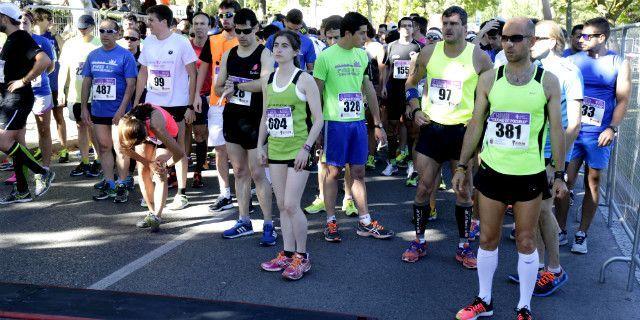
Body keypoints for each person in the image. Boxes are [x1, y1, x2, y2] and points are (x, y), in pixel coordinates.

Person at [453, 17, 567, 320]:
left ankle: (524, 306)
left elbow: (556, 130)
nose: (508, 43)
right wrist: (462, 166)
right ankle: (484, 300)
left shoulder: (547, 81)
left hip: (529, 175)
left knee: (526, 240)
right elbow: (476, 123)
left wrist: (558, 173)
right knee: (487, 239)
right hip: (492, 171)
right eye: (504, 38)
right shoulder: (491, 78)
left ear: (531, 42)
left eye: (516, 38)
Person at [402, 6, 493, 266]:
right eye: (445, 24)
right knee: (423, 187)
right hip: (432, 129)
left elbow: (488, 99)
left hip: (463, 133)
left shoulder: (479, 57)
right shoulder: (429, 53)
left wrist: (480, 128)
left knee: (463, 191)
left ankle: (464, 246)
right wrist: (415, 108)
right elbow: (410, 84)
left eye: (454, 23)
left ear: (465, 27)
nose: (449, 28)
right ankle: (418, 240)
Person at [506, 19, 582, 297]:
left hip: (551, 156)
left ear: (552, 42)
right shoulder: (533, 69)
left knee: (541, 211)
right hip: (529, 153)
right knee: (531, 213)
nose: (529, 43)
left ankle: (555, 269)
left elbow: (573, 124)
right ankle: (536, 266)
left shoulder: (568, 71)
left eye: (535, 38)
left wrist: (557, 165)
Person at [314, 11, 392, 242]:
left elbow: (368, 89)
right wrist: (316, 126)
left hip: (357, 123)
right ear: (348, 33)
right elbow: (316, 93)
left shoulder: (362, 55)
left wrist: (377, 123)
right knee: (332, 173)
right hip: (334, 124)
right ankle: (330, 222)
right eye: (362, 33)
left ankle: (365, 221)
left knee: (358, 172)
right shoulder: (326, 57)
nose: (365, 37)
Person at [561, 17, 631, 254]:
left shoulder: (618, 63)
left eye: (587, 36)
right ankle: (560, 229)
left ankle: (582, 233)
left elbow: (622, 100)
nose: (581, 39)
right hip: (573, 131)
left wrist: (612, 127)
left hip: (599, 134)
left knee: (593, 181)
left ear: (602, 38)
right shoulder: (571, 61)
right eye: (581, 35)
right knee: (565, 181)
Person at [258, 30, 324, 280]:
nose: (278, 50)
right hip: (275, 149)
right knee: (282, 207)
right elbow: (265, 117)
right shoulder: (269, 80)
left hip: (298, 151)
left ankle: (302, 256)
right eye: (276, 45)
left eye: (285, 46)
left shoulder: (304, 80)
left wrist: (306, 148)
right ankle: (286, 253)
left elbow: (318, 119)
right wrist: (260, 145)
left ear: (296, 52)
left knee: (291, 204)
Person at [209, 8, 276, 245]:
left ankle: (268, 223)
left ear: (256, 28)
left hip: (256, 119)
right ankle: (244, 220)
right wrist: (224, 86)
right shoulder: (229, 54)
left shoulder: (264, 53)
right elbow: (217, 87)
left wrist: (238, 86)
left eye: (247, 31)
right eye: (238, 31)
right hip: (233, 117)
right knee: (239, 172)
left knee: (258, 172)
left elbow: (265, 84)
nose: (242, 35)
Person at [134, 4, 199, 211]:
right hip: (153, 103)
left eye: (151, 20)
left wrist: (190, 104)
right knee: (150, 147)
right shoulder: (148, 42)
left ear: (163, 22)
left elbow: (193, 74)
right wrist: (137, 100)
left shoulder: (181, 42)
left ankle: (181, 192)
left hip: (177, 103)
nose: (148, 23)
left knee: (177, 147)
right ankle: (154, 190)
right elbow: (143, 72)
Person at [303, 15, 359, 217]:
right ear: (324, 36)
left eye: (337, 37)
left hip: (351, 118)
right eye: (329, 38)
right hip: (328, 118)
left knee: (348, 162)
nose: (333, 42)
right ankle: (321, 196)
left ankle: (349, 199)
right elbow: (316, 92)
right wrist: (315, 121)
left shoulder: (358, 54)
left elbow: (364, 86)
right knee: (324, 161)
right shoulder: (324, 58)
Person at [0, 3, 54, 204]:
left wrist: (23, 81)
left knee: (3, 141)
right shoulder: (12, 39)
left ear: (4, 18)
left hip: (16, 99)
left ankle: (41, 172)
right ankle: (22, 191)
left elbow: (44, 60)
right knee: (18, 144)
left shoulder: (21, 37)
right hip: (8, 99)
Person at [80, 19, 138, 202]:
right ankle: (110, 183)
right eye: (102, 31)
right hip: (99, 111)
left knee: (121, 148)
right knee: (104, 147)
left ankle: (122, 183)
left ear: (117, 33)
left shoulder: (125, 56)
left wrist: (122, 109)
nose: (105, 34)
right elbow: (87, 82)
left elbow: (131, 84)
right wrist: (84, 107)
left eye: (109, 31)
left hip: (119, 112)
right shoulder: (93, 55)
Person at [193, 0, 240, 212]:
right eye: (221, 16)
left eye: (229, 15)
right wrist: (196, 95)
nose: (225, 19)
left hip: (242, 103)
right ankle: (225, 193)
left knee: (242, 152)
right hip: (216, 102)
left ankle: (246, 191)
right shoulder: (212, 41)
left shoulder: (246, 39)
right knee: (220, 150)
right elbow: (202, 70)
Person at [119, 104, 187, 232]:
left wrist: (166, 165)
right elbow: (123, 149)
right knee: (143, 170)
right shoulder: (125, 123)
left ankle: (157, 216)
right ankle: (151, 213)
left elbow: (179, 153)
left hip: (166, 132)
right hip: (142, 130)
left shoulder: (156, 125)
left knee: (160, 168)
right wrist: (147, 162)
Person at [58, 14, 102, 178]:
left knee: (93, 128)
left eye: (85, 27)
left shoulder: (98, 44)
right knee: (80, 127)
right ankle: (85, 162)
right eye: (80, 28)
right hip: (75, 95)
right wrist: (61, 90)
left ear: (92, 27)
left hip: (94, 95)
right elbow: (63, 69)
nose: (82, 30)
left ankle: (99, 160)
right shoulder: (69, 44)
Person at [16, 10, 56, 191]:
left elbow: (50, 65)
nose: (22, 25)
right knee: (18, 133)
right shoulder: (12, 42)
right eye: (19, 22)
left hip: (41, 92)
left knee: (44, 129)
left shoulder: (43, 42)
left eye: (25, 22)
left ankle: (45, 169)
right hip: (19, 94)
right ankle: (22, 167)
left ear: (32, 24)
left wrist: (37, 78)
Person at [380, 17, 422, 177]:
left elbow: (423, 72)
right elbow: (386, 68)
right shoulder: (390, 47)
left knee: (411, 129)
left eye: (409, 26)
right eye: (403, 26)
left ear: (413, 29)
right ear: (398, 29)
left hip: (410, 93)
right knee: (391, 127)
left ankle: (411, 164)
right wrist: (383, 86)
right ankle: (391, 162)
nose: (406, 28)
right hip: (394, 92)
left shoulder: (418, 47)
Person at [32, 8, 69, 163]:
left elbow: (63, 48)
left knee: (58, 116)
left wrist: (55, 33)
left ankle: (64, 149)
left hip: (54, 82)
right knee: (40, 121)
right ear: (39, 19)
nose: (51, 22)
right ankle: (42, 147)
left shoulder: (51, 36)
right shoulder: (30, 37)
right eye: (48, 19)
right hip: (36, 86)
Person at [187, 12, 212, 188]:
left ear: (209, 26)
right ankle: (176, 170)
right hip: (185, 96)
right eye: (196, 23)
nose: (199, 26)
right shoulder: (186, 47)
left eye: (203, 23)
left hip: (207, 96)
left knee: (200, 134)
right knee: (183, 134)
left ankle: (198, 171)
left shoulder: (215, 46)